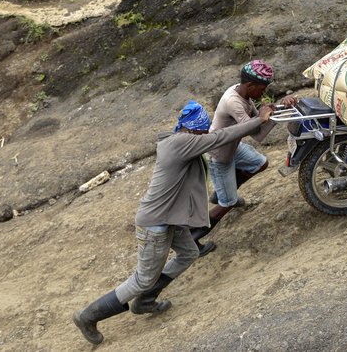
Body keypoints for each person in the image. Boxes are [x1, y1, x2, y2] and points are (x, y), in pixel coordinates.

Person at [72, 101, 273, 345]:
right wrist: (258, 120)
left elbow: (214, 138)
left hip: (169, 219)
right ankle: (88, 316)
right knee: (142, 279)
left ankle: (146, 300)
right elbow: (221, 137)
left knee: (188, 253)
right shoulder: (181, 144)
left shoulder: (178, 139)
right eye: (201, 131)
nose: (204, 134)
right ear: (192, 131)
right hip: (155, 224)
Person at [191, 60, 297, 256]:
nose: (263, 94)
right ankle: (192, 240)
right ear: (250, 85)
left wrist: (280, 107)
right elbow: (255, 128)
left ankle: (222, 193)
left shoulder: (242, 93)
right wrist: (266, 114)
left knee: (260, 163)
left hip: (233, 147)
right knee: (228, 204)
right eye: (262, 89)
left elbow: (258, 133)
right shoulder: (234, 102)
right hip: (220, 155)